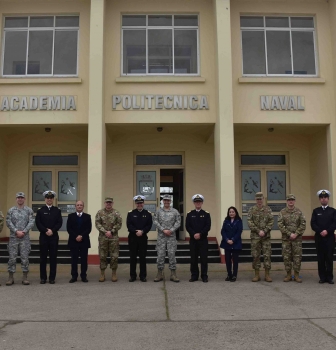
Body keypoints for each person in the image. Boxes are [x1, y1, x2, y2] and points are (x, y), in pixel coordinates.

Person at [5, 192, 35, 286]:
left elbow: (31, 222)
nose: (20, 199)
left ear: (24, 199)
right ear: (16, 199)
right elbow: (8, 222)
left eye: (22, 198)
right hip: (14, 238)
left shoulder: (29, 210)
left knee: (25, 258)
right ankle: (10, 277)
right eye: (18, 198)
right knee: (12, 258)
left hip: (24, 238)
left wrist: (24, 232)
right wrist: (16, 231)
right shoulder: (11, 210)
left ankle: (25, 277)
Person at [35, 190, 63, 284]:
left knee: (53, 258)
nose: (49, 199)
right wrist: (46, 230)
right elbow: (38, 223)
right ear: (45, 199)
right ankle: (43, 278)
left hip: (54, 237)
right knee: (43, 258)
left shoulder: (57, 211)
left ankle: (52, 278)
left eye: (51, 198)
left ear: (53, 199)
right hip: (43, 237)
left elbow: (59, 223)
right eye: (48, 198)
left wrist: (52, 230)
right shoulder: (40, 211)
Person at [278, 194, 306, 283]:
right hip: (286, 239)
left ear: (294, 201)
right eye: (289, 200)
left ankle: (296, 275)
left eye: (292, 200)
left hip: (297, 240)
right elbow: (280, 224)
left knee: (297, 257)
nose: (291, 201)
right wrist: (289, 234)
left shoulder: (299, 212)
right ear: (287, 201)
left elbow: (303, 224)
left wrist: (296, 233)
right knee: (286, 257)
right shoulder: (282, 212)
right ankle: (288, 275)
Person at [153, 194, 181, 283]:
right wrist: (163, 229)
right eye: (165, 200)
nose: (166, 202)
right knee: (160, 255)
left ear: (170, 201)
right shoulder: (158, 212)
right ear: (162, 201)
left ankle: (173, 274)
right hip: (161, 237)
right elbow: (155, 221)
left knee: (171, 255)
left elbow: (178, 222)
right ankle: (159, 273)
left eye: (168, 200)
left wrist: (171, 230)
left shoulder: (175, 212)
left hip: (171, 237)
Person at [310, 189, 336, 284]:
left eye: (325, 197)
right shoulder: (316, 211)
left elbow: (335, 223)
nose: (323, 199)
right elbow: (313, 223)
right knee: (320, 258)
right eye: (321, 198)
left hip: (329, 238)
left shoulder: (333, 211)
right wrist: (320, 231)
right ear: (319, 199)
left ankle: (329, 277)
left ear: (328, 199)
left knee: (329, 258)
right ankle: (322, 277)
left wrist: (327, 231)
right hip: (319, 238)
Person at [247, 192, 274, 282]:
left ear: (263, 199)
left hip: (266, 237)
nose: (259, 201)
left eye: (260, 199)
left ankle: (267, 275)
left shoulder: (268, 209)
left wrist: (265, 231)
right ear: (255, 200)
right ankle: (256, 274)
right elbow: (249, 222)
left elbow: (271, 221)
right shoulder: (251, 210)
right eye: (257, 199)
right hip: (255, 237)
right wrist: (258, 231)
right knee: (255, 255)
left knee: (267, 255)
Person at [95, 197, 122, 282]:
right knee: (102, 256)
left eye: (110, 202)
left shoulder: (116, 213)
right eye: (107, 202)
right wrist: (105, 231)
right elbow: (97, 223)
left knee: (114, 256)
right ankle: (102, 273)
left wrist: (111, 231)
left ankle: (114, 273)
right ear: (104, 203)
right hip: (103, 237)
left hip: (113, 238)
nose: (108, 204)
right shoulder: (100, 213)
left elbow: (119, 224)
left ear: (112, 203)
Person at [126, 195, 153, 282]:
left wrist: (142, 231)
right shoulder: (131, 213)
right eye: (138, 203)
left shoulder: (148, 214)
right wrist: (135, 231)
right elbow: (129, 225)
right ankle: (133, 276)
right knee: (132, 257)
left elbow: (149, 225)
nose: (139, 204)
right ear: (135, 204)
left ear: (143, 203)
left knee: (142, 257)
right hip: (133, 238)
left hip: (143, 238)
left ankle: (143, 276)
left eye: (141, 203)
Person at [186, 194, 211, 283]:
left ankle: (204, 276)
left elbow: (208, 226)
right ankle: (194, 275)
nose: (198, 203)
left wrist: (200, 234)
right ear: (194, 203)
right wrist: (194, 234)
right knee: (193, 259)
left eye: (199, 202)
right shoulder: (190, 214)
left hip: (203, 239)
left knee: (204, 259)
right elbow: (187, 226)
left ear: (202, 203)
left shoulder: (206, 214)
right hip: (193, 240)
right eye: (196, 202)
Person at [66, 200, 92, 283]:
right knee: (74, 260)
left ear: (83, 206)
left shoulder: (87, 216)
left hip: (84, 241)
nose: (79, 206)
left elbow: (89, 228)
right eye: (78, 205)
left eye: (81, 205)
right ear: (75, 206)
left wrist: (81, 236)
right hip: (74, 241)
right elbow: (69, 228)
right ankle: (74, 276)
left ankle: (83, 276)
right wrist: (76, 236)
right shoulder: (70, 216)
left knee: (84, 260)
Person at [220, 206, 243, 282]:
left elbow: (239, 231)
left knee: (235, 260)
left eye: (233, 212)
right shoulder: (226, 221)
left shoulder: (239, 221)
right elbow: (223, 231)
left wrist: (233, 239)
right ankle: (229, 274)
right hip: (227, 243)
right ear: (228, 213)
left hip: (235, 243)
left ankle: (234, 275)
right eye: (230, 212)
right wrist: (227, 239)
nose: (231, 213)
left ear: (235, 213)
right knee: (227, 260)